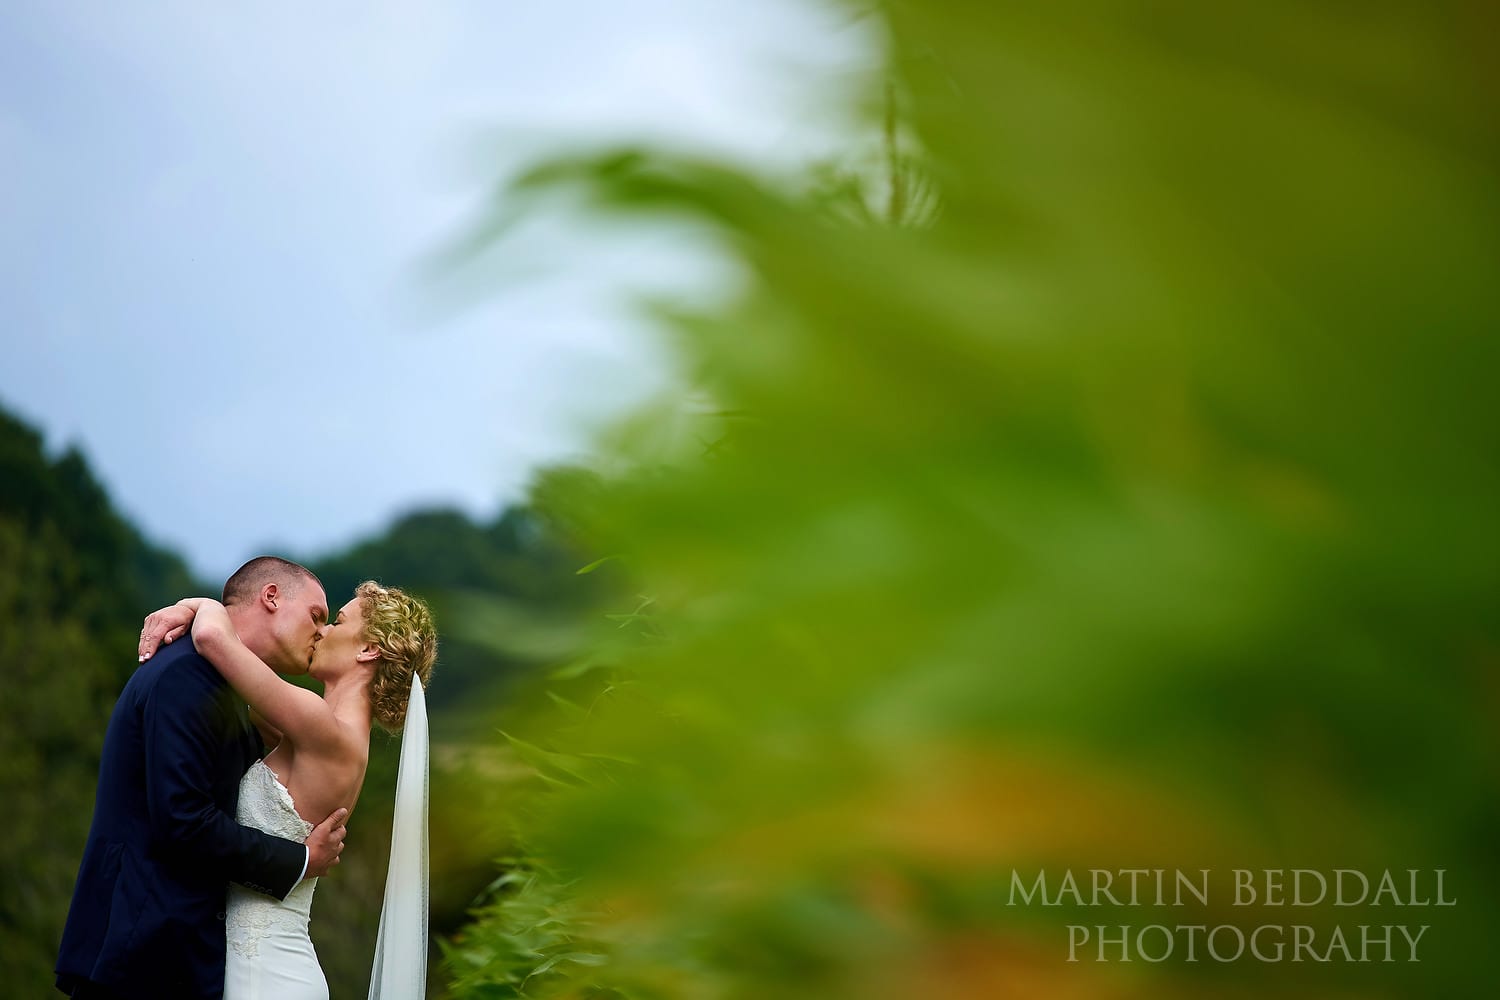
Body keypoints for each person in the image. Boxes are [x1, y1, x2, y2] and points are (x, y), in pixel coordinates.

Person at [55, 557, 349, 1000]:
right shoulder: (187, 676)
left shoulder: (220, 684)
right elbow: (183, 820)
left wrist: (199, 606)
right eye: (316, 616)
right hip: (141, 955)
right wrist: (300, 860)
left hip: (171, 957)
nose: (321, 632)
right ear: (271, 597)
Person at [134, 576, 437, 1000]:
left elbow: (213, 639)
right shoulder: (320, 731)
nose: (322, 631)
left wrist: (196, 604)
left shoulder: (322, 725)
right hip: (261, 963)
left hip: (266, 973)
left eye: (338, 622)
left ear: (369, 649)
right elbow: (237, 693)